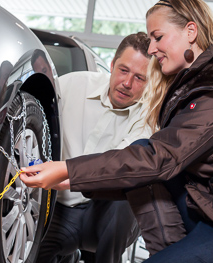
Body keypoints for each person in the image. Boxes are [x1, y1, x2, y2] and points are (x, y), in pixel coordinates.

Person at [22, 0, 213, 262]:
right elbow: (148, 169)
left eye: (158, 37)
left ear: (190, 31)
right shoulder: (198, 87)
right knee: (146, 171)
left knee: (149, 158)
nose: (152, 47)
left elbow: (158, 158)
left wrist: (69, 171)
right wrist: (71, 180)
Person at [35, 32, 153, 263]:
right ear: (112, 65)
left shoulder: (149, 116)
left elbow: (121, 165)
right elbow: (28, 119)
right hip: (57, 209)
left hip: (104, 211)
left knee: (131, 193)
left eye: (140, 78)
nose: (127, 83)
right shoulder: (72, 85)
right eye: (123, 70)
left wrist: (68, 174)